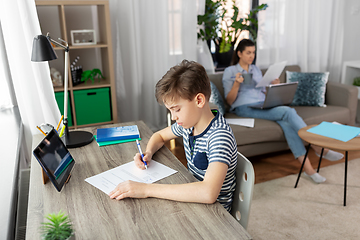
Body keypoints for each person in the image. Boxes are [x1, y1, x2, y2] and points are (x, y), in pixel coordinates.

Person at [109, 60, 238, 211]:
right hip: (194, 199)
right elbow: (159, 136)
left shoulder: (219, 137)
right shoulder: (189, 125)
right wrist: (148, 153)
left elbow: (208, 193)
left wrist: (146, 189)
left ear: (199, 100)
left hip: (215, 214)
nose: (173, 117)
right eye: (170, 111)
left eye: (176, 109)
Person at [222, 39, 343, 184]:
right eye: (248, 52)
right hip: (244, 108)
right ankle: (318, 147)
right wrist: (236, 84)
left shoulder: (256, 70)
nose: (251, 56)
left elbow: (262, 92)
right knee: (288, 112)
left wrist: (274, 87)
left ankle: (309, 170)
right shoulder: (230, 71)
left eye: (253, 52)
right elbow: (229, 101)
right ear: (239, 53)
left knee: (286, 123)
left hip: (262, 104)